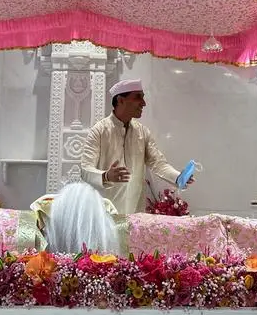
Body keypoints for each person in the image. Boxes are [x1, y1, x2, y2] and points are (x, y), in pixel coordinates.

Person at [81, 78, 192, 214]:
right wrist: (106, 176)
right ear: (121, 100)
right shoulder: (99, 131)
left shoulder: (142, 132)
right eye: (138, 97)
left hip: (134, 213)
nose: (144, 103)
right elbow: (85, 170)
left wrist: (178, 177)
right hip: (104, 214)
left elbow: (159, 164)